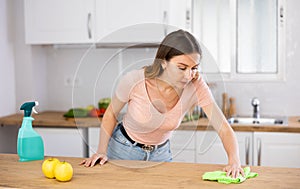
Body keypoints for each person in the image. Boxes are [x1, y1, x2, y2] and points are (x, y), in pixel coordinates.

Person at [80, 29, 244, 178]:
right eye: (182, 67)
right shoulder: (134, 80)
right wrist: (101, 151)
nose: (189, 75)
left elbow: (223, 127)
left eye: (194, 67)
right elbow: (110, 114)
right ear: (163, 62)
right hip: (124, 150)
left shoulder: (196, 84)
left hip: (161, 153)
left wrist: (234, 160)